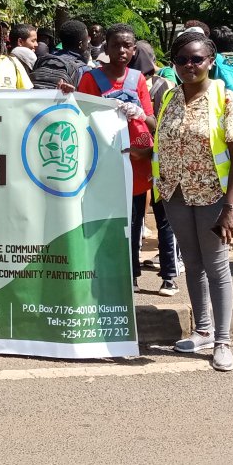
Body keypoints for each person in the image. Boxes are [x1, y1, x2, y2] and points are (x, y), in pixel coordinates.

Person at [150, 29, 233, 371]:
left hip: (213, 196)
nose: (189, 65)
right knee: (192, 263)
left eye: (197, 59)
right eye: (181, 60)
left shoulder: (226, 99)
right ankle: (203, 329)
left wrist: (230, 209)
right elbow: (163, 139)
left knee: (217, 266)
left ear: (211, 61)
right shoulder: (169, 98)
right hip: (176, 193)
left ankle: (223, 340)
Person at [73, 24, 156, 292]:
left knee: (132, 222)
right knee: (103, 220)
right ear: (106, 47)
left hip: (136, 160)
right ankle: (102, 271)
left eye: (127, 45)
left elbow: (153, 121)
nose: (121, 50)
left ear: (134, 49)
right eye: (116, 45)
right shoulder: (91, 78)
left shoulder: (138, 78)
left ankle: (130, 273)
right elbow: (80, 118)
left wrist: (140, 114)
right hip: (103, 163)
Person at [129, 40, 180, 295]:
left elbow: (167, 127)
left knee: (145, 221)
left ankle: (158, 275)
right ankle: (166, 276)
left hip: (152, 162)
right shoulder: (166, 84)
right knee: (156, 222)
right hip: (151, 162)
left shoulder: (159, 87)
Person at [29, 20, 91, 89]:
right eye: (87, 41)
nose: (88, 44)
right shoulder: (83, 70)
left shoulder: (43, 60)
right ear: (81, 44)